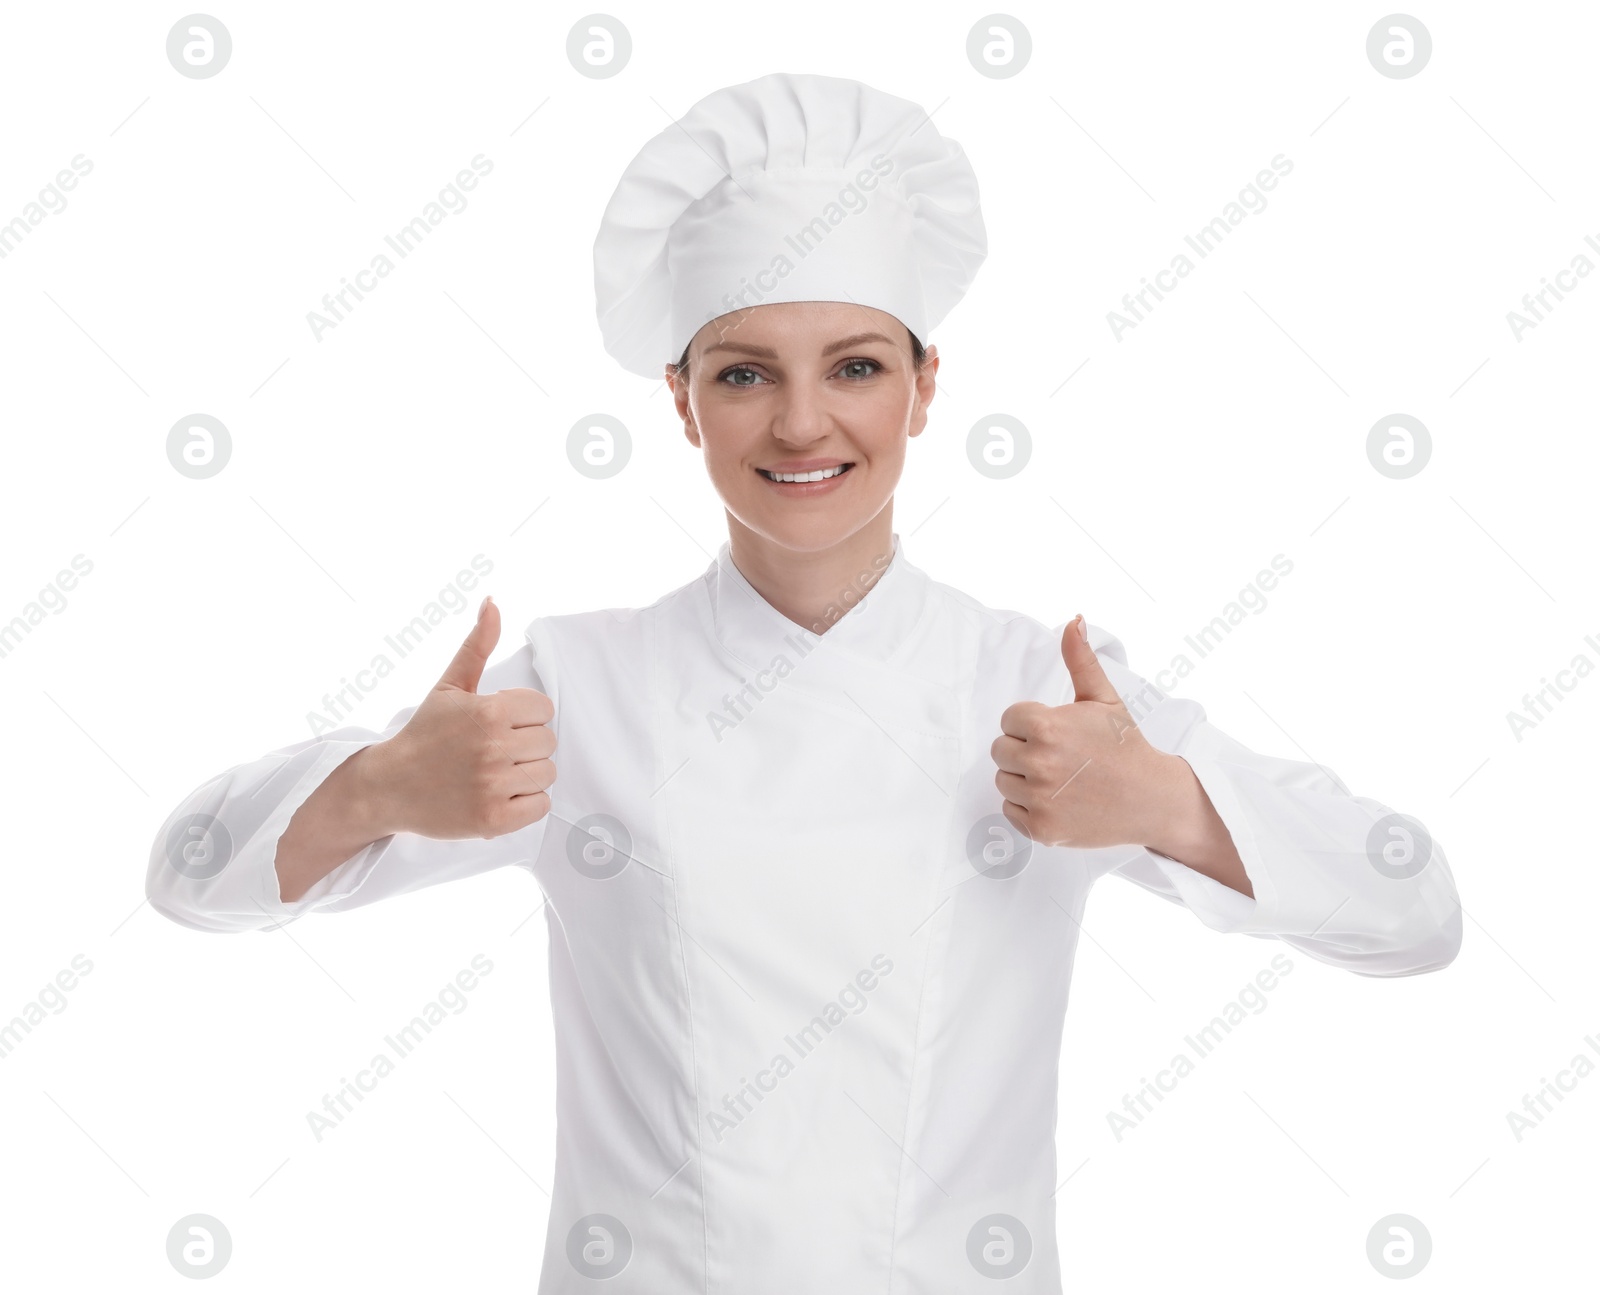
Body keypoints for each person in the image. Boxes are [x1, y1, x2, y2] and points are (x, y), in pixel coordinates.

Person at [147, 72, 1461, 1294]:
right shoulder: (586, 689)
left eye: (854, 367)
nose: (799, 424)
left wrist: (1170, 804)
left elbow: (1416, 912)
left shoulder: (1045, 694)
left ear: (924, 387)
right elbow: (190, 876)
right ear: (681, 402)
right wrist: (378, 786)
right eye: (742, 374)